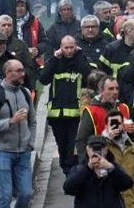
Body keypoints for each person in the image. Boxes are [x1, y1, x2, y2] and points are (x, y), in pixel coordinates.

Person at [0, 60, 35, 208]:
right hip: (1, 152)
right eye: (18, 71)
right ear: (7, 73)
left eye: (22, 70)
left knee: (26, 194)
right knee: (5, 196)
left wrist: (30, 142)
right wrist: (11, 121)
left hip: (23, 152)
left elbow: (33, 121)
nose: (22, 74)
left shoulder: (25, 93)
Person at [39, 35, 91, 174]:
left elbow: (88, 75)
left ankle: (71, 173)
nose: (69, 51)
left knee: (72, 147)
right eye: (66, 48)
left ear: (76, 47)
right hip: (57, 115)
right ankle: (66, 169)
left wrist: (79, 55)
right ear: (61, 48)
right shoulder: (55, 62)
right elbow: (43, 79)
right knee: (62, 146)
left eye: (71, 47)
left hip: (75, 114)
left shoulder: (81, 60)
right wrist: (55, 58)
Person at [62, 136, 134, 208]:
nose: (96, 152)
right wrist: (88, 169)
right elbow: (68, 188)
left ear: (106, 150)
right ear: (87, 150)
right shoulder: (79, 169)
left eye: (100, 148)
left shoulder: (113, 167)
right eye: (93, 148)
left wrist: (111, 169)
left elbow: (128, 183)